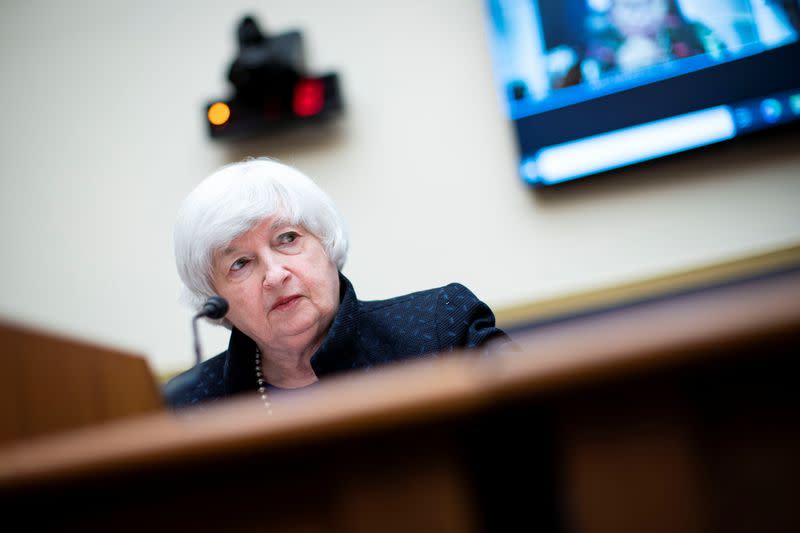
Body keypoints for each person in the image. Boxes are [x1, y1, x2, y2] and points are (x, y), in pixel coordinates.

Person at [163, 158, 510, 408]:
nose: (275, 275)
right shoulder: (189, 406)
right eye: (239, 263)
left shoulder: (440, 330)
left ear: (327, 244)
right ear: (214, 298)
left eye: (287, 238)